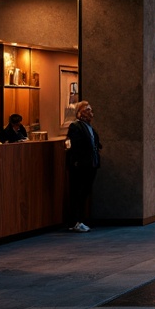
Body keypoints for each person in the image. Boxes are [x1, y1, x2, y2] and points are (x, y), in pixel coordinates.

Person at [64, 100, 101, 233]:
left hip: (91, 164)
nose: (91, 113)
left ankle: (81, 219)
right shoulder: (76, 127)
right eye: (87, 110)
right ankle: (75, 221)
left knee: (84, 193)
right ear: (80, 113)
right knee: (77, 193)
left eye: (91, 110)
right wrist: (77, 162)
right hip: (81, 166)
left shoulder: (90, 127)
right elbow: (75, 146)